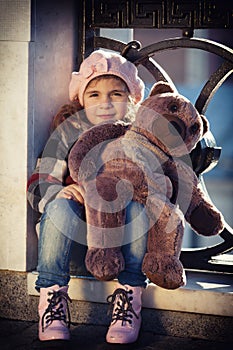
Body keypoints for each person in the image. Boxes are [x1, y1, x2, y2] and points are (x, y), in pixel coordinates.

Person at [27, 49, 149, 344]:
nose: (105, 103)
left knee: (137, 209)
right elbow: (38, 183)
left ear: (132, 97)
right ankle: (52, 298)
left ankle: (129, 298)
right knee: (58, 208)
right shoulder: (69, 132)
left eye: (116, 93)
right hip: (74, 246)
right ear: (81, 100)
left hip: (120, 243)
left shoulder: (138, 135)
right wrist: (58, 191)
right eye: (94, 94)